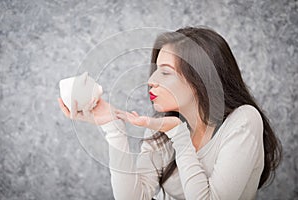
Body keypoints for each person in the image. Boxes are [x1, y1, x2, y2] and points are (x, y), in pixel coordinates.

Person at [58, 27, 282, 200]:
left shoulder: (243, 120)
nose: (151, 81)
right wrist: (112, 127)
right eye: (156, 70)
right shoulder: (162, 131)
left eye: (165, 72)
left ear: (201, 79)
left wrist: (179, 136)